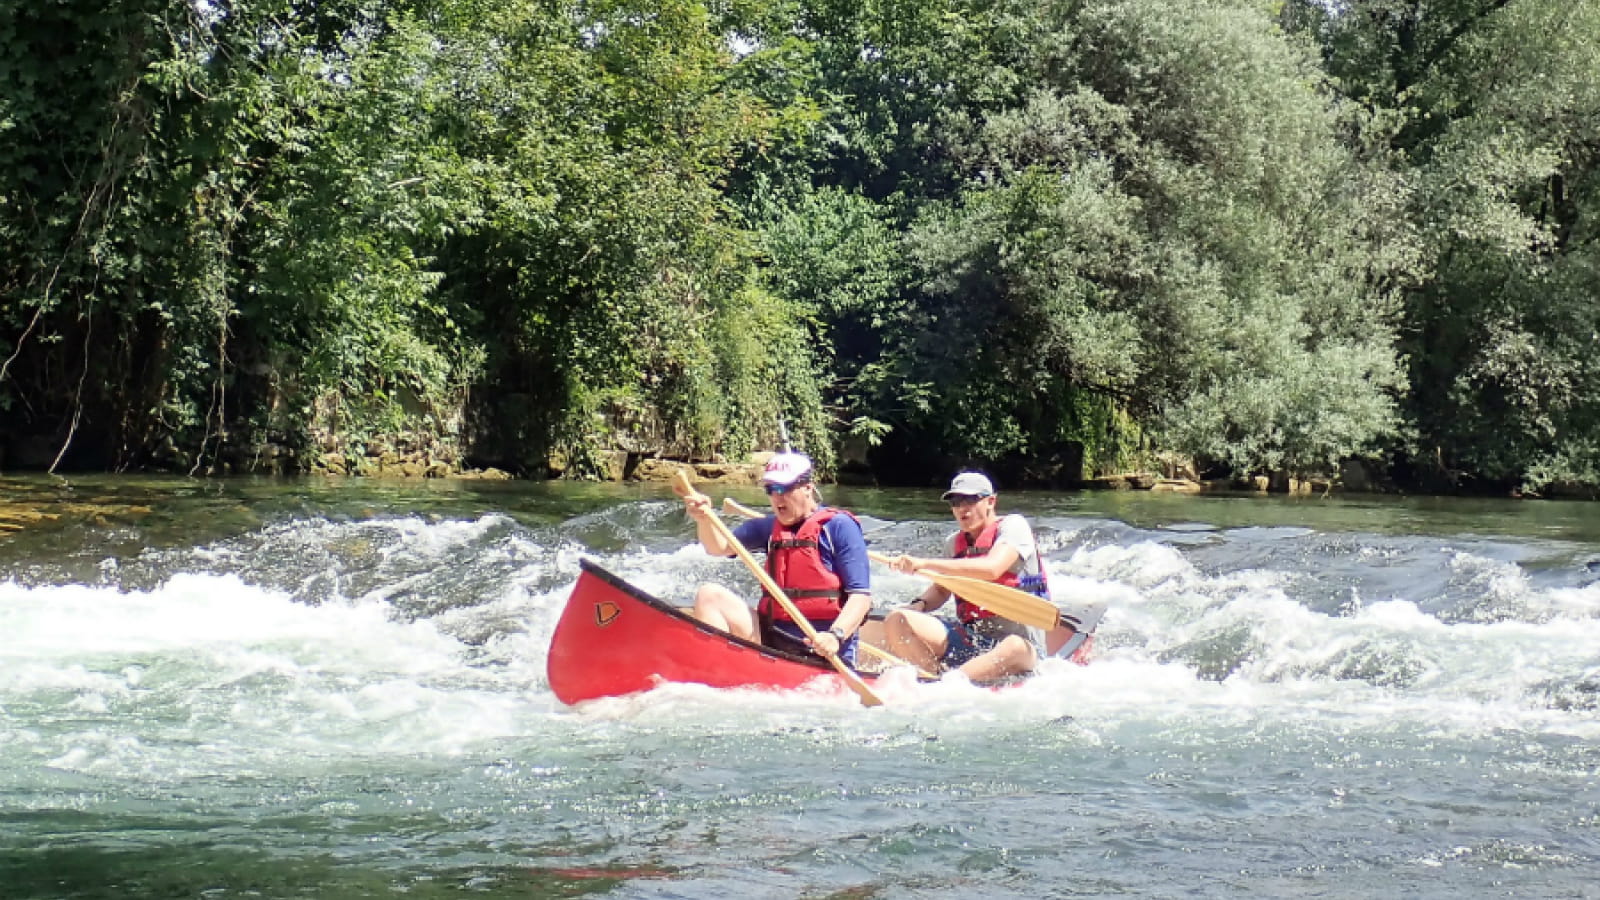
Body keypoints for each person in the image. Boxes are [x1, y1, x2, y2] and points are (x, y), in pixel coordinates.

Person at [681, 452, 873, 665]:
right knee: (709, 596)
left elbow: (861, 598)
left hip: (824, 649)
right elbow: (718, 547)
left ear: (808, 487)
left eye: (784, 488)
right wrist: (704, 519)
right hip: (773, 640)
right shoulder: (768, 528)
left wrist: (835, 635)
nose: (776, 497)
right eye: (771, 489)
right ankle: (715, 669)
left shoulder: (839, 527)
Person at [883, 471, 1050, 681]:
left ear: (991, 501)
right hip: (973, 641)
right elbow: (942, 588)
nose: (962, 508)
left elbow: (992, 569)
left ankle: (950, 685)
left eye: (970, 500)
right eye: (955, 502)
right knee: (896, 620)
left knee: (1014, 646)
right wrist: (918, 606)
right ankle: (930, 678)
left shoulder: (1013, 526)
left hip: (1023, 648)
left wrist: (923, 563)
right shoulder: (953, 543)